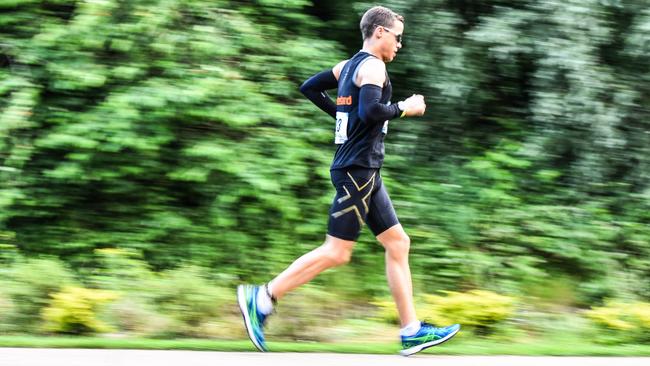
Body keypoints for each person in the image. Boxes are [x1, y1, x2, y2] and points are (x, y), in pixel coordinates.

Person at [237, 6, 460, 356]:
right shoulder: (372, 66)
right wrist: (405, 107)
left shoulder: (348, 66)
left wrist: (346, 119)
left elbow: (310, 88)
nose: (400, 44)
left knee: (398, 243)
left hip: (361, 170)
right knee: (337, 252)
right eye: (398, 37)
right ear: (380, 33)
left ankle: (412, 331)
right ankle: (262, 298)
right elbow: (371, 111)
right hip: (357, 170)